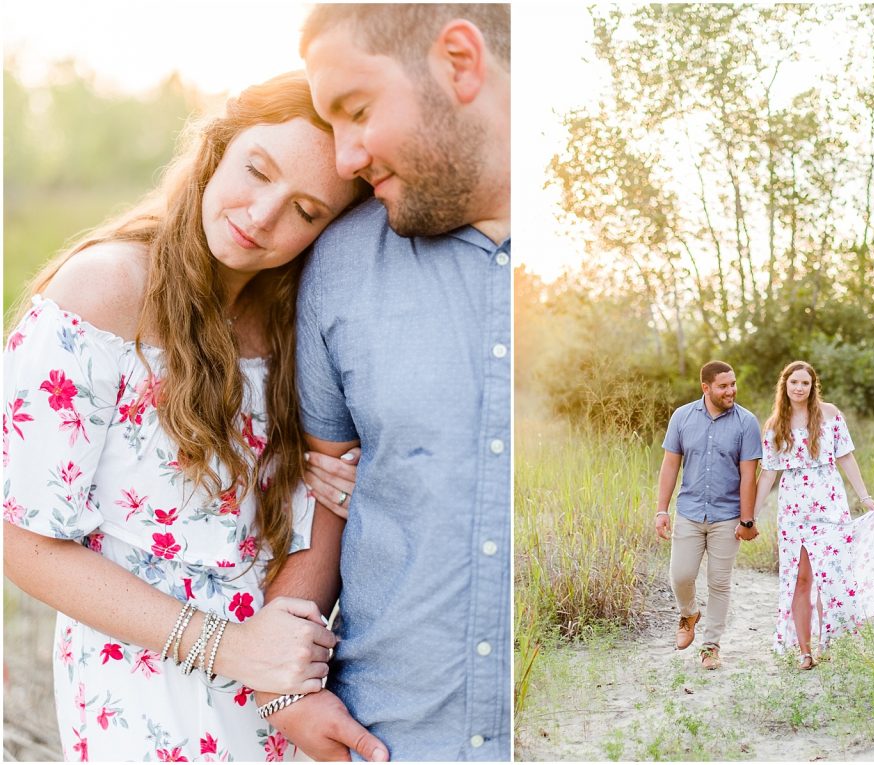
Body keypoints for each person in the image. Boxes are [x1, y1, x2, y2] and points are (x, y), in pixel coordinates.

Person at [2, 72, 374, 761]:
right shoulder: (101, 291)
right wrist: (232, 648)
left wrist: (338, 484)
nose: (261, 215)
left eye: (305, 210)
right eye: (256, 170)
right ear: (219, 145)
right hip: (145, 683)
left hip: (280, 678)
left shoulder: (300, 319)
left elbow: (315, 499)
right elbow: (21, 541)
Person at [257, 4, 511, 761]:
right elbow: (326, 502)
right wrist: (289, 690)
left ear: (459, 62)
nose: (343, 159)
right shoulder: (337, 265)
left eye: (357, 111)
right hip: (392, 740)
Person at [753, 361, 874, 669]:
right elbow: (768, 474)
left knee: (831, 577)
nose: (799, 388)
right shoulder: (774, 426)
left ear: (812, 386)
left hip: (830, 502)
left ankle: (830, 644)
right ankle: (805, 652)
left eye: (805, 383)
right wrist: (751, 516)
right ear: (785, 385)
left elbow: (846, 456)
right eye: (793, 382)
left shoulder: (830, 415)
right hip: (794, 509)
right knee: (801, 578)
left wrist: (864, 496)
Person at [655, 361, 762, 670]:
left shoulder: (746, 422)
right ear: (706, 388)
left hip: (727, 517)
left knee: (719, 582)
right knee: (681, 576)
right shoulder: (682, 417)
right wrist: (662, 509)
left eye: (733, 384)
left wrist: (747, 520)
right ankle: (688, 613)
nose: (731, 390)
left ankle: (711, 646)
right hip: (689, 511)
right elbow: (670, 465)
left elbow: (748, 476)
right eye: (723, 386)